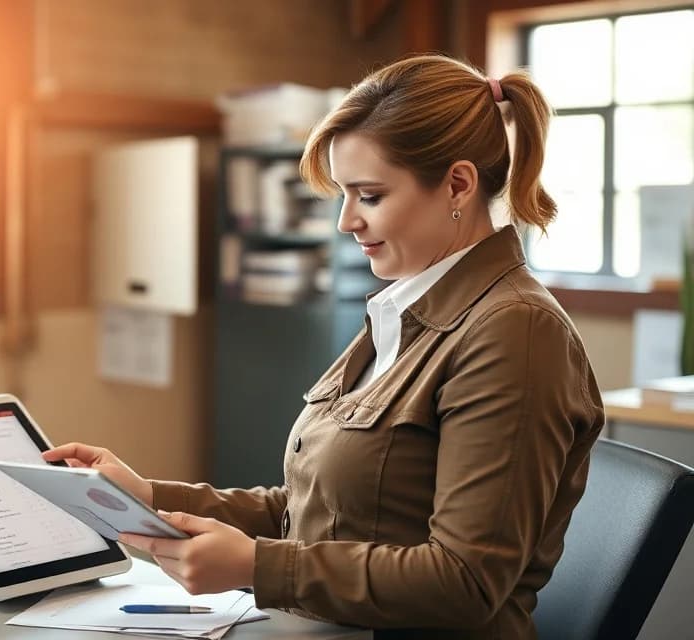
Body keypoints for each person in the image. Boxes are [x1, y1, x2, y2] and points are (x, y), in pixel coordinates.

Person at [43, 54, 604, 639]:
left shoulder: (515, 331)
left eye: (370, 195)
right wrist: (149, 495)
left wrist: (256, 565)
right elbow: (314, 511)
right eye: (343, 194)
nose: (346, 222)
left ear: (458, 184)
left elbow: (464, 582)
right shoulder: (404, 309)